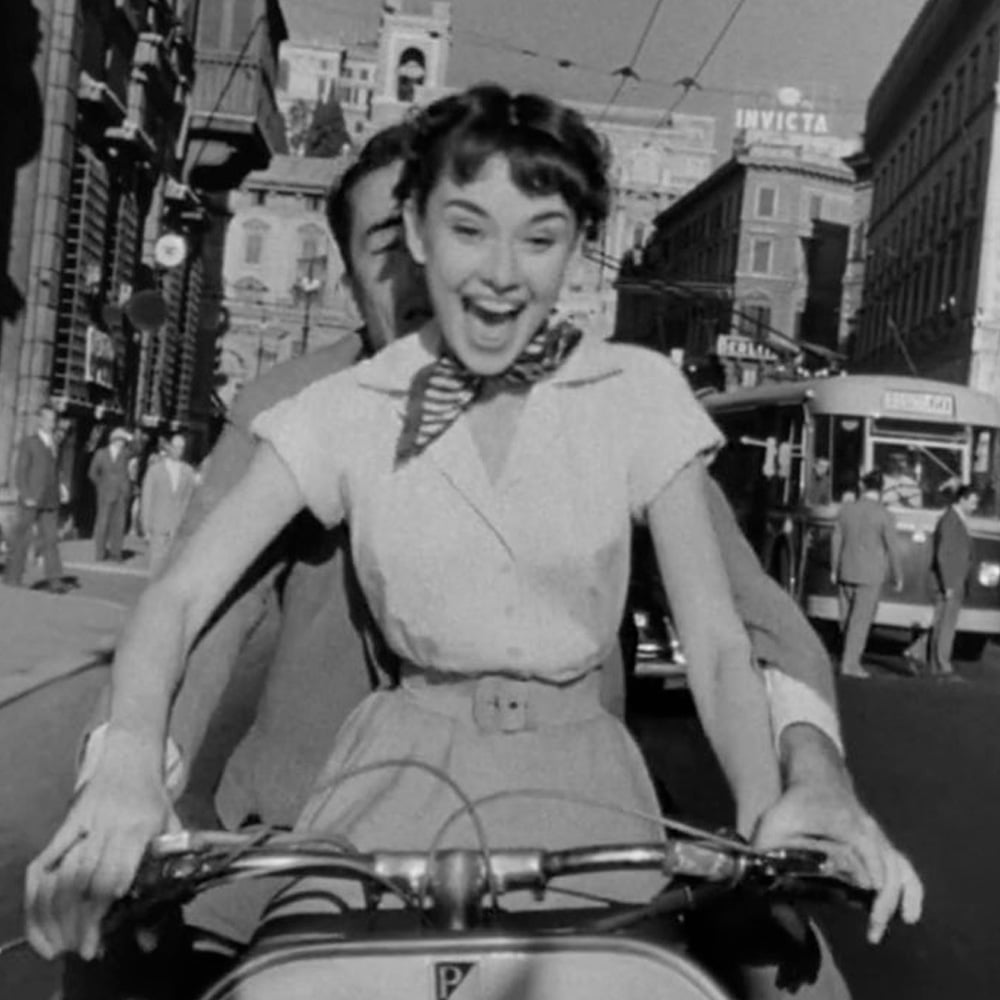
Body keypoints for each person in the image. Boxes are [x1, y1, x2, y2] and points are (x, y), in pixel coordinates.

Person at [28, 88, 920, 992]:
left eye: (537, 235)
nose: (489, 274)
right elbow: (184, 603)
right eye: (449, 232)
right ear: (404, 241)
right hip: (339, 814)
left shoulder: (630, 395)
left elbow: (732, 633)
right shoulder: (318, 407)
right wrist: (126, 769)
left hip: (587, 795)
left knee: (786, 971)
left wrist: (788, 797)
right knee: (119, 963)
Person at [830, 470, 904, 678]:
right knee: (860, 621)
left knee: (846, 618)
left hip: (846, 569)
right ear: (880, 491)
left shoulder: (846, 510)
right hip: (870, 575)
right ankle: (850, 663)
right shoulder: (885, 515)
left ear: (862, 487)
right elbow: (892, 547)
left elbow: (836, 539)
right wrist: (897, 575)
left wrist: (834, 568)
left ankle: (846, 655)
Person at [3, 402, 68, 592]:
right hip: (31, 498)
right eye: (46, 418)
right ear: (40, 420)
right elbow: (20, 471)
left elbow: (55, 471)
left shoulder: (55, 443)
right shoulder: (30, 442)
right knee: (21, 539)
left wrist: (61, 488)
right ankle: (12, 577)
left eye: (53, 419)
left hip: (50, 499)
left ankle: (55, 580)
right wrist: (26, 494)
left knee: (51, 539)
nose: (50, 422)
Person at [922, 485, 980, 679]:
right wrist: (948, 583)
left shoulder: (955, 519)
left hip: (954, 580)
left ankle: (933, 662)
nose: (975, 506)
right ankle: (942, 664)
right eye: (972, 502)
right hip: (951, 582)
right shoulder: (951, 520)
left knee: (942, 623)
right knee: (946, 625)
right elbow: (943, 554)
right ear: (961, 499)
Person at [140, 432, 198, 578]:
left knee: (173, 569)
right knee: (156, 566)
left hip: (178, 527)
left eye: (182, 447)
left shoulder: (188, 472)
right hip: (158, 526)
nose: (179, 450)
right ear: (170, 447)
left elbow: (190, 499)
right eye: (176, 446)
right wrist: (146, 528)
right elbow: (147, 499)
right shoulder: (155, 471)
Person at [88, 427, 133, 561]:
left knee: (119, 524)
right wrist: (100, 486)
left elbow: (138, 449)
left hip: (121, 493)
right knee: (103, 523)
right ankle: (100, 553)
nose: (122, 443)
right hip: (105, 493)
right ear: (113, 440)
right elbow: (92, 473)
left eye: (123, 440)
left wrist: (131, 437)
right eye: (120, 439)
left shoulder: (125, 453)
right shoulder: (101, 454)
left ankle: (116, 553)